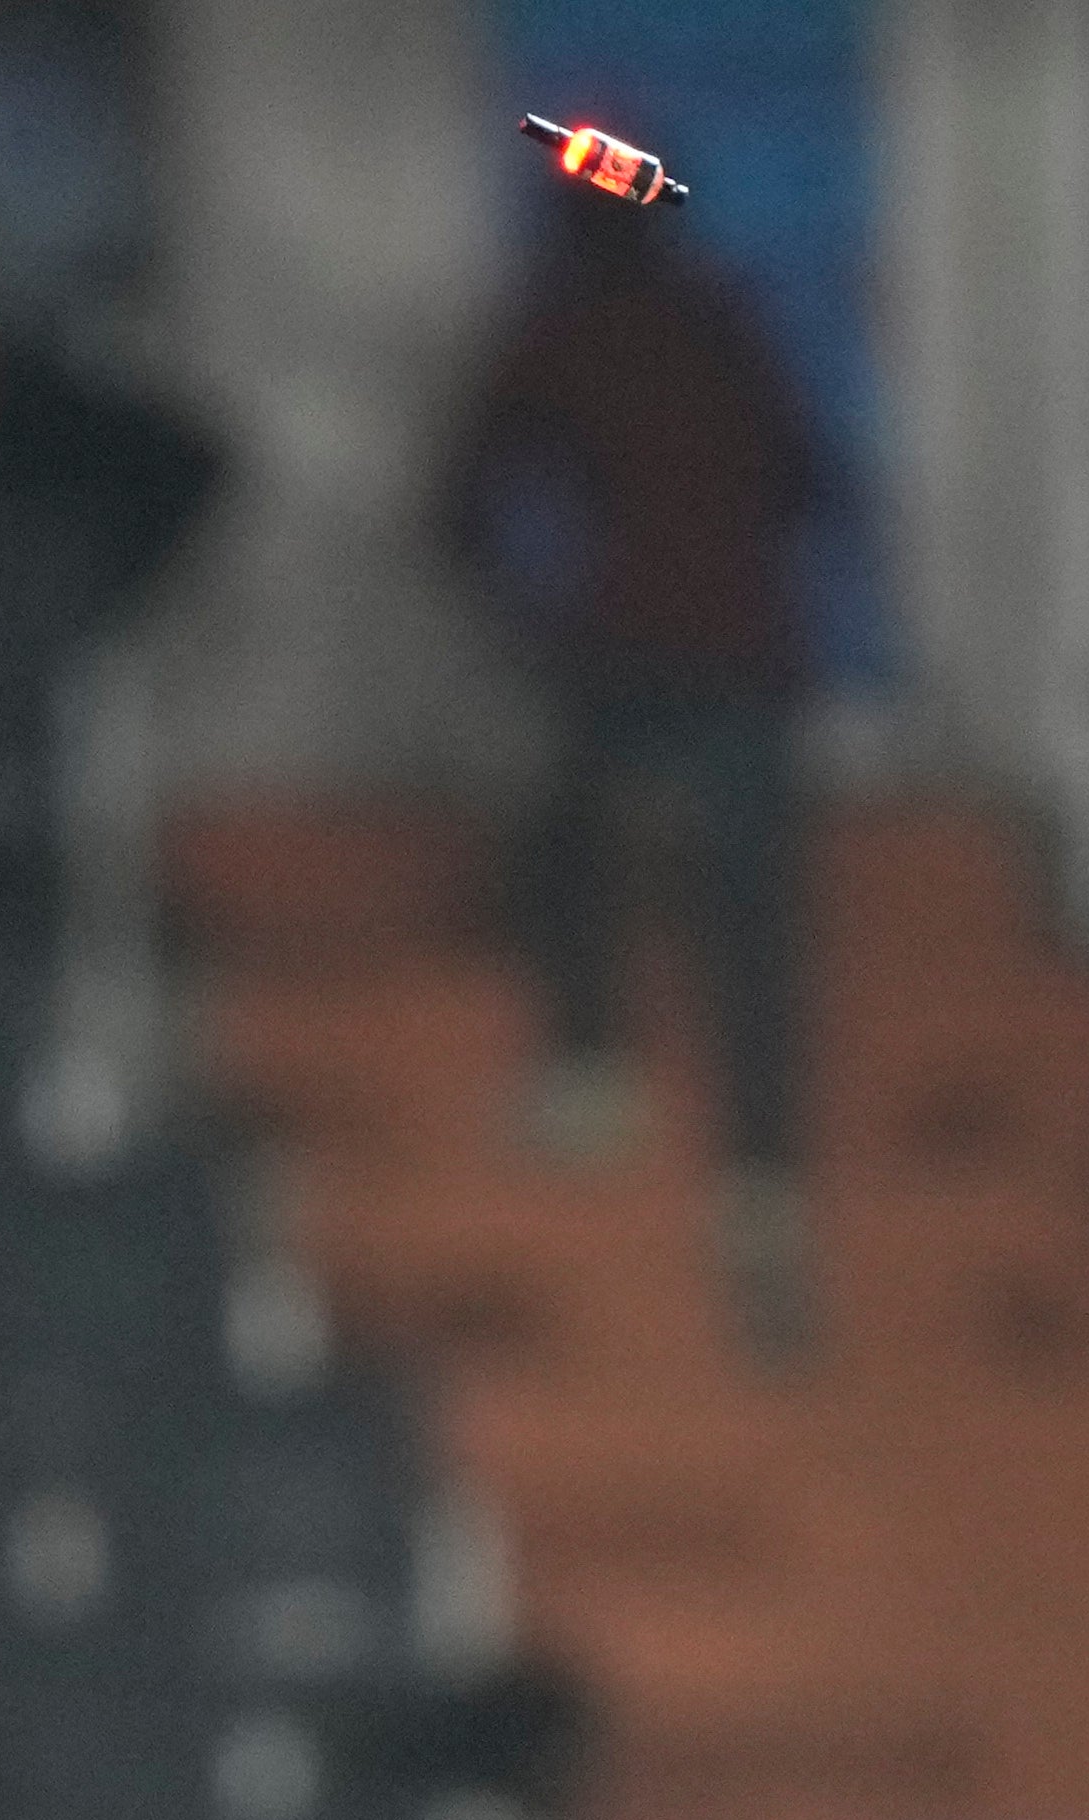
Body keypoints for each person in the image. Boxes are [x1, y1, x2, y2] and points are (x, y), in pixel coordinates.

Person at [447, 168, 831, 1340]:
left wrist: (526, 618)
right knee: (738, 919)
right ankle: (741, 1164)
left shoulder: (581, 324)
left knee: (585, 860)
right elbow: (814, 482)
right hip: (709, 657)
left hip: (650, 656)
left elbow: (453, 504)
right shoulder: (709, 317)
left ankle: (600, 1078)